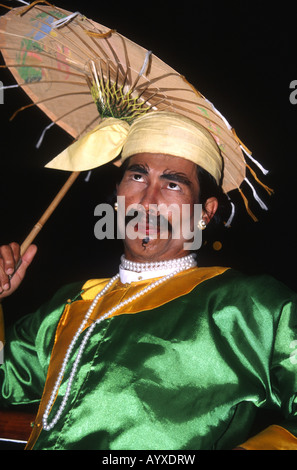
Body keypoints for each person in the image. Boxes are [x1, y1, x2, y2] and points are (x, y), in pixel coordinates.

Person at [0, 111, 297, 450]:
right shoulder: (69, 304)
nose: (147, 201)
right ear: (117, 195)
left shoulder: (248, 304)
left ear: (205, 212)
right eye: (138, 178)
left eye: (172, 184)